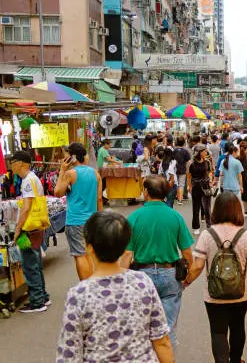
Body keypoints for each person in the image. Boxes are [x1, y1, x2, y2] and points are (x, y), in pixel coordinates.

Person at [57, 211, 174, 363]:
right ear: (124, 246)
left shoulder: (79, 294)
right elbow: (161, 341)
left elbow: (69, 354)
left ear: (89, 247)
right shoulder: (142, 282)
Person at [184, 192, 247, 363]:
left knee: (218, 331)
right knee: (237, 327)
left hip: (214, 295)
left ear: (216, 210)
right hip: (242, 292)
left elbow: (198, 265)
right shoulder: (246, 235)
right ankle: (235, 360)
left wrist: (187, 281)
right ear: (237, 211)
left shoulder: (207, 235)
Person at [120, 176, 195, 348]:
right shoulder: (175, 216)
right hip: (170, 275)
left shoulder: (134, 218)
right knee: (168, 329)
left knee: (142, 328)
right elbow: (187, 253)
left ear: (146, 192)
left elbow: (127, 255)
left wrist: (119, 281)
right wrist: (188, 276)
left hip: (141, 277)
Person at [54, 143, 103, 281]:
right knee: (90, 254)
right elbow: (99, 199)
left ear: (73, 157)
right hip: (92, 220)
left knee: (80, 255)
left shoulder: (70, 174)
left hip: (75, 221)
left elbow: (57, 192)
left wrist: (62, 170)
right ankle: (93, 283)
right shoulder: (95, 173)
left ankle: (85, 286)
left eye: (67, 156)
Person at [9, 151, 50, 313]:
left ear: (22, 163)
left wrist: (18, 229)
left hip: (29, 228)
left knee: (29, 265)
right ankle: (42, 296)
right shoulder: (32, 178)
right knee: (36, 263)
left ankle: (38, 301)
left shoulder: (28, 181)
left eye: (13, 161)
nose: (11, 165)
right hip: (36, 227)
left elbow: (26, 209)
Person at [188, 144, 214, 234]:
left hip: (206, 185)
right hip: (196, 186)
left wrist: (210, 180)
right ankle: (196, 227)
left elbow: (210, 172)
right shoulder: (191, 163)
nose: (206, 152)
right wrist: (189, 186)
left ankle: (209, 225)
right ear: (198, 152)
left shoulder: (207, 161)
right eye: (204, 151)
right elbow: (189, 176)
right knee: (196, 207)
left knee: (207, 207)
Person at [173, 136, 191, 205]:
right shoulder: (185, 151)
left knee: (176, 184)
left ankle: (177, 197)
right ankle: (180, 200)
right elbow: (188, 161)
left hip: (175, 169)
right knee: (181, 185)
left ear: (176, 143)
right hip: (182, 169)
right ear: (184, 143)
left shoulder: (174, 151)